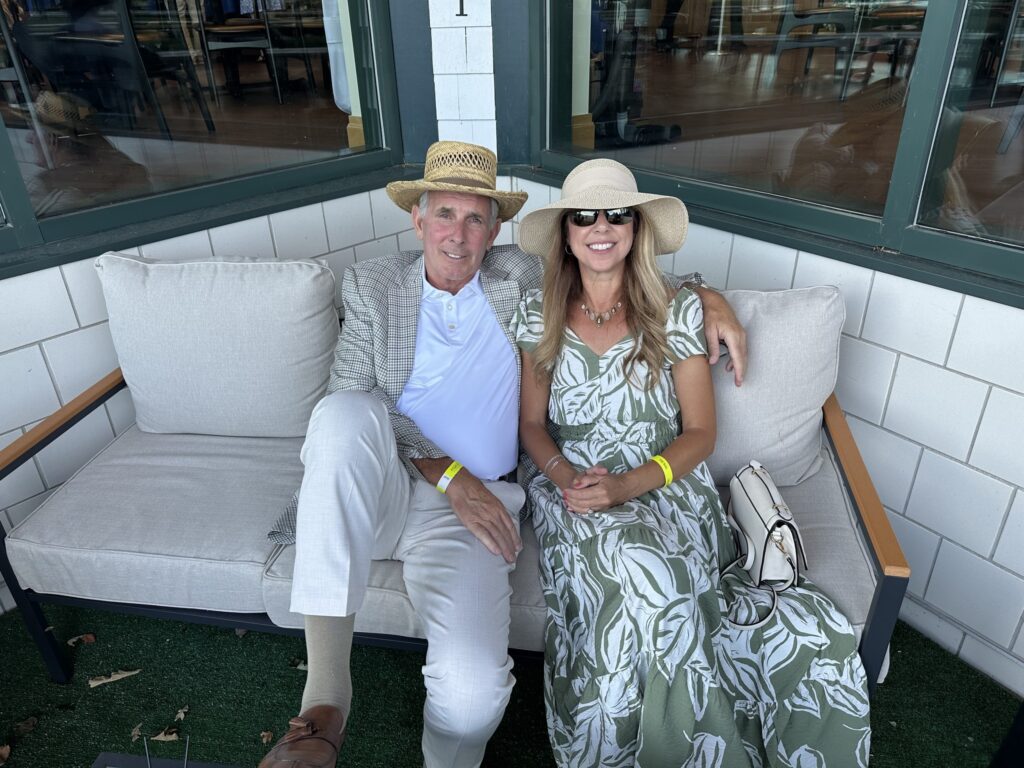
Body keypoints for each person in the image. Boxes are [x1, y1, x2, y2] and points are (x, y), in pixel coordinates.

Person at [259, 141, 748, 768]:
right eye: (444, 215)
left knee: (472, 698)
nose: (457, 236)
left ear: (497, 229)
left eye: (474, 219)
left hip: (475, 511)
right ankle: (323, 705)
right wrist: (450, 475)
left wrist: (709, 298)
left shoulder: (523, 276)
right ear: (418, 218)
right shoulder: (373, 286)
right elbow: (350, 403)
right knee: (341, 414)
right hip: (377, 488)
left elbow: (620, 267)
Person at [514, 158, 871, 767]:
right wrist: (564, 476)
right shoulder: (537, 310)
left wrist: (628, 483)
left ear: (636, 228)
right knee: (635, 565)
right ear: (566, 236)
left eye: (618, 214)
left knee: (664, 588)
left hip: (665, 482)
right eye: (584, 216)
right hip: (568, 483)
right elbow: (531, 426)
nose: (602, 227)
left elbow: (702, 434)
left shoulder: (676, 311)